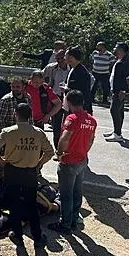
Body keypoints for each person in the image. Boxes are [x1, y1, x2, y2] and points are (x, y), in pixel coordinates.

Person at [0, 103, 53, 248]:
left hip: (12, 171)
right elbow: (50, 151)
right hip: (30, 173)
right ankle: (37, 237)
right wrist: (39, 163)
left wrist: (1, 160)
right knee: (31, 204)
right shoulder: (38, 133)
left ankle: (17, 235)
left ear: (16, 114)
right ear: (30, 115)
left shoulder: (8, 131)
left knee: (14, 204)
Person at [49, 90, 97, 234]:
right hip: (82, 160)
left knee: (66, 194)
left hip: (69, 161)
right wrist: (84, 152)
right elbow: (91, 140)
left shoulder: (72, 118)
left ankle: (65, 224)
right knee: (77, 191)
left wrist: (59, 153)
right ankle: (74, 219)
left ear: (69, 102)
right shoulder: (91, 120)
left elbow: (65, 137)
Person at [107, 42, 129, 142]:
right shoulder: (119, 60)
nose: (114, 49)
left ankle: (117, 134)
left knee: (114, 110)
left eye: (116, 48)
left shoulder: (127, 62)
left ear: (121, 50)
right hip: (116, 90)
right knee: (119, 110)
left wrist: (124, 90)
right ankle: (116, 130)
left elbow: (128, 78)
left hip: (120, 91)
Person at [44, 49, 70, 144]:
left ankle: (66, 147)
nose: (59, 60)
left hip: (68, 99)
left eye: (61, 58)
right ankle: (57, 148)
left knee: (68, 125)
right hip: (56, 98)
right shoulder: (51, 68)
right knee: (56, 125)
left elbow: (90, 79)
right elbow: (39, 76)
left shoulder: (72, 68)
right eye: (57, 58)